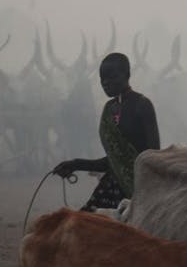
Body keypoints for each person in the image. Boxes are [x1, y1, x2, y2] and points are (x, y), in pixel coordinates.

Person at [53, 52, 160, 211]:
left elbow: (153, 157)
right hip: (111, 186)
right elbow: (113, 162)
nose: (106, 83)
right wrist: (75, 164)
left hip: (141, 191)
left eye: (112, 77)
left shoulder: (143, 105)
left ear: (127, 75)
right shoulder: (109, 109)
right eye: (102, 78)